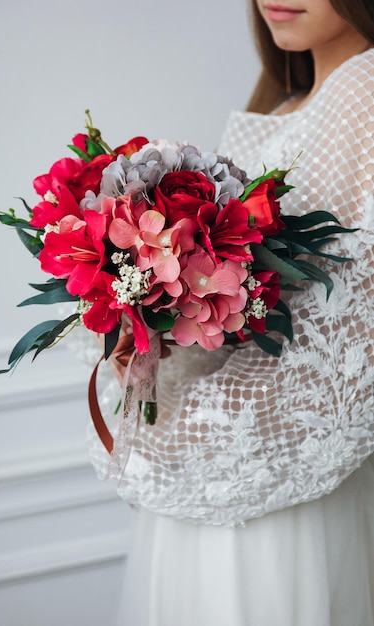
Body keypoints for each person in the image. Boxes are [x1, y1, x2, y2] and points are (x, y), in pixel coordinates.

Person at [84, 1, 374, 624]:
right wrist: (143, 319)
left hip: (270, 484)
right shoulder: (279, 111)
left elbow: (344, 343)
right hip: (239, 475)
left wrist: (168, 430)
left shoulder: (365, 86)